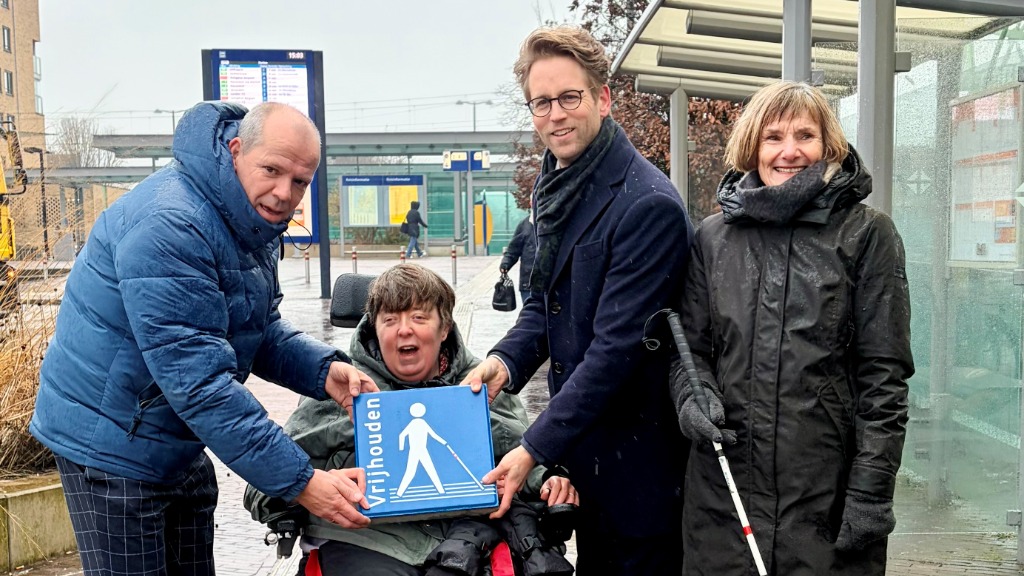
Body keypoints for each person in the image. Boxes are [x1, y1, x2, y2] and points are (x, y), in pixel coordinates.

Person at [30, 101, 378, 576]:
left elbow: (256, 329)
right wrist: (301, 481)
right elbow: (201, 383)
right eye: (272, 170)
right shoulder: (171, 225)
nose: (283, 194)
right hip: (112, 442)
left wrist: (323, 371)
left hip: (176, 435)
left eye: (299, 181)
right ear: (236, 149)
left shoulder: (247, 219)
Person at [463, 25, 693, 574]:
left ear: (602, 98)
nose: (555, 115)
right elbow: (544, 308)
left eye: (570, 97)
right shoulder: (557, 186)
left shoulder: (646, 204)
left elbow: (617, 349)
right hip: (586, 457)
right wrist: (501, 364)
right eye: (541, 103)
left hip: (637, 469)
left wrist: (532, 448)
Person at [670, 81, 913, 575]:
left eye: (805, 135)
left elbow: (884, 380)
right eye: (773, 136)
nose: (789, 151)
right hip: (725, 498)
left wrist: (870, 493)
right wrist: (690, 397)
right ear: (752, 147)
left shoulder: (866, 233)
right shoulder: (713, 239)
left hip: (825, 502)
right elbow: (688, 350)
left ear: (828, 146)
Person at [245, 264, 577, 575]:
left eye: (419, 317)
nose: (404, 330)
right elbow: (264, 483)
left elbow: (521, 457)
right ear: (375, 328)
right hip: (368, 539)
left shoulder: (481, 387)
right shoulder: (342, 391)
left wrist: (547, 482)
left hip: (469, 535)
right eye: (390, 320)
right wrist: (313, 485)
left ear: (444, 327)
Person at [500, 212, 536, 304]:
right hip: (527, 283)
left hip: (550, 284)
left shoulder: (553, 222)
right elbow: (513, 249)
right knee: (530, 314)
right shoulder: (524, 225)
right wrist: (505, 264)